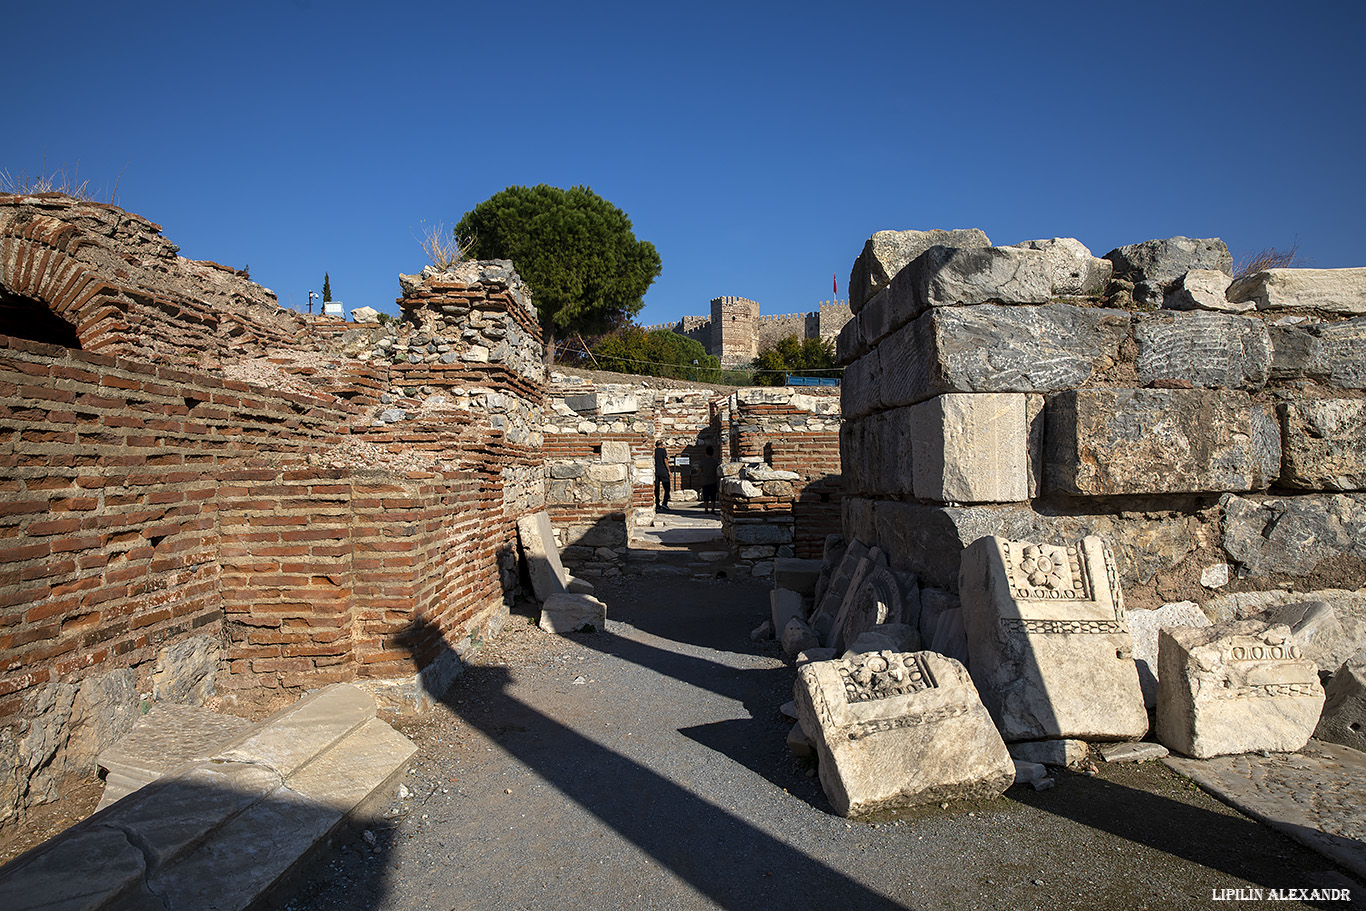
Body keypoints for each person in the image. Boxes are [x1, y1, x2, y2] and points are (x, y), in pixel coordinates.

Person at [698, 445, 720, 514]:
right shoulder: (715, 461)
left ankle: (706, 509)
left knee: (706, 496)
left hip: (705, 481)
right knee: (713, 497)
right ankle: (713, 509)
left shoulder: (703, 461)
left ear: (706, 453)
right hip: (713, 480)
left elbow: (700, 470)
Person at [653, 441, 671, 509]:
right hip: (663, 471)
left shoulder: (654, 451)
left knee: (657, 488)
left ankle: (657, 503)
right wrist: (669, 471)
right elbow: (665, 461)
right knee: (667, 488)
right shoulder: (663, 451)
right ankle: (664, 503)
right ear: (662, 445)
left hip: (656, 471)